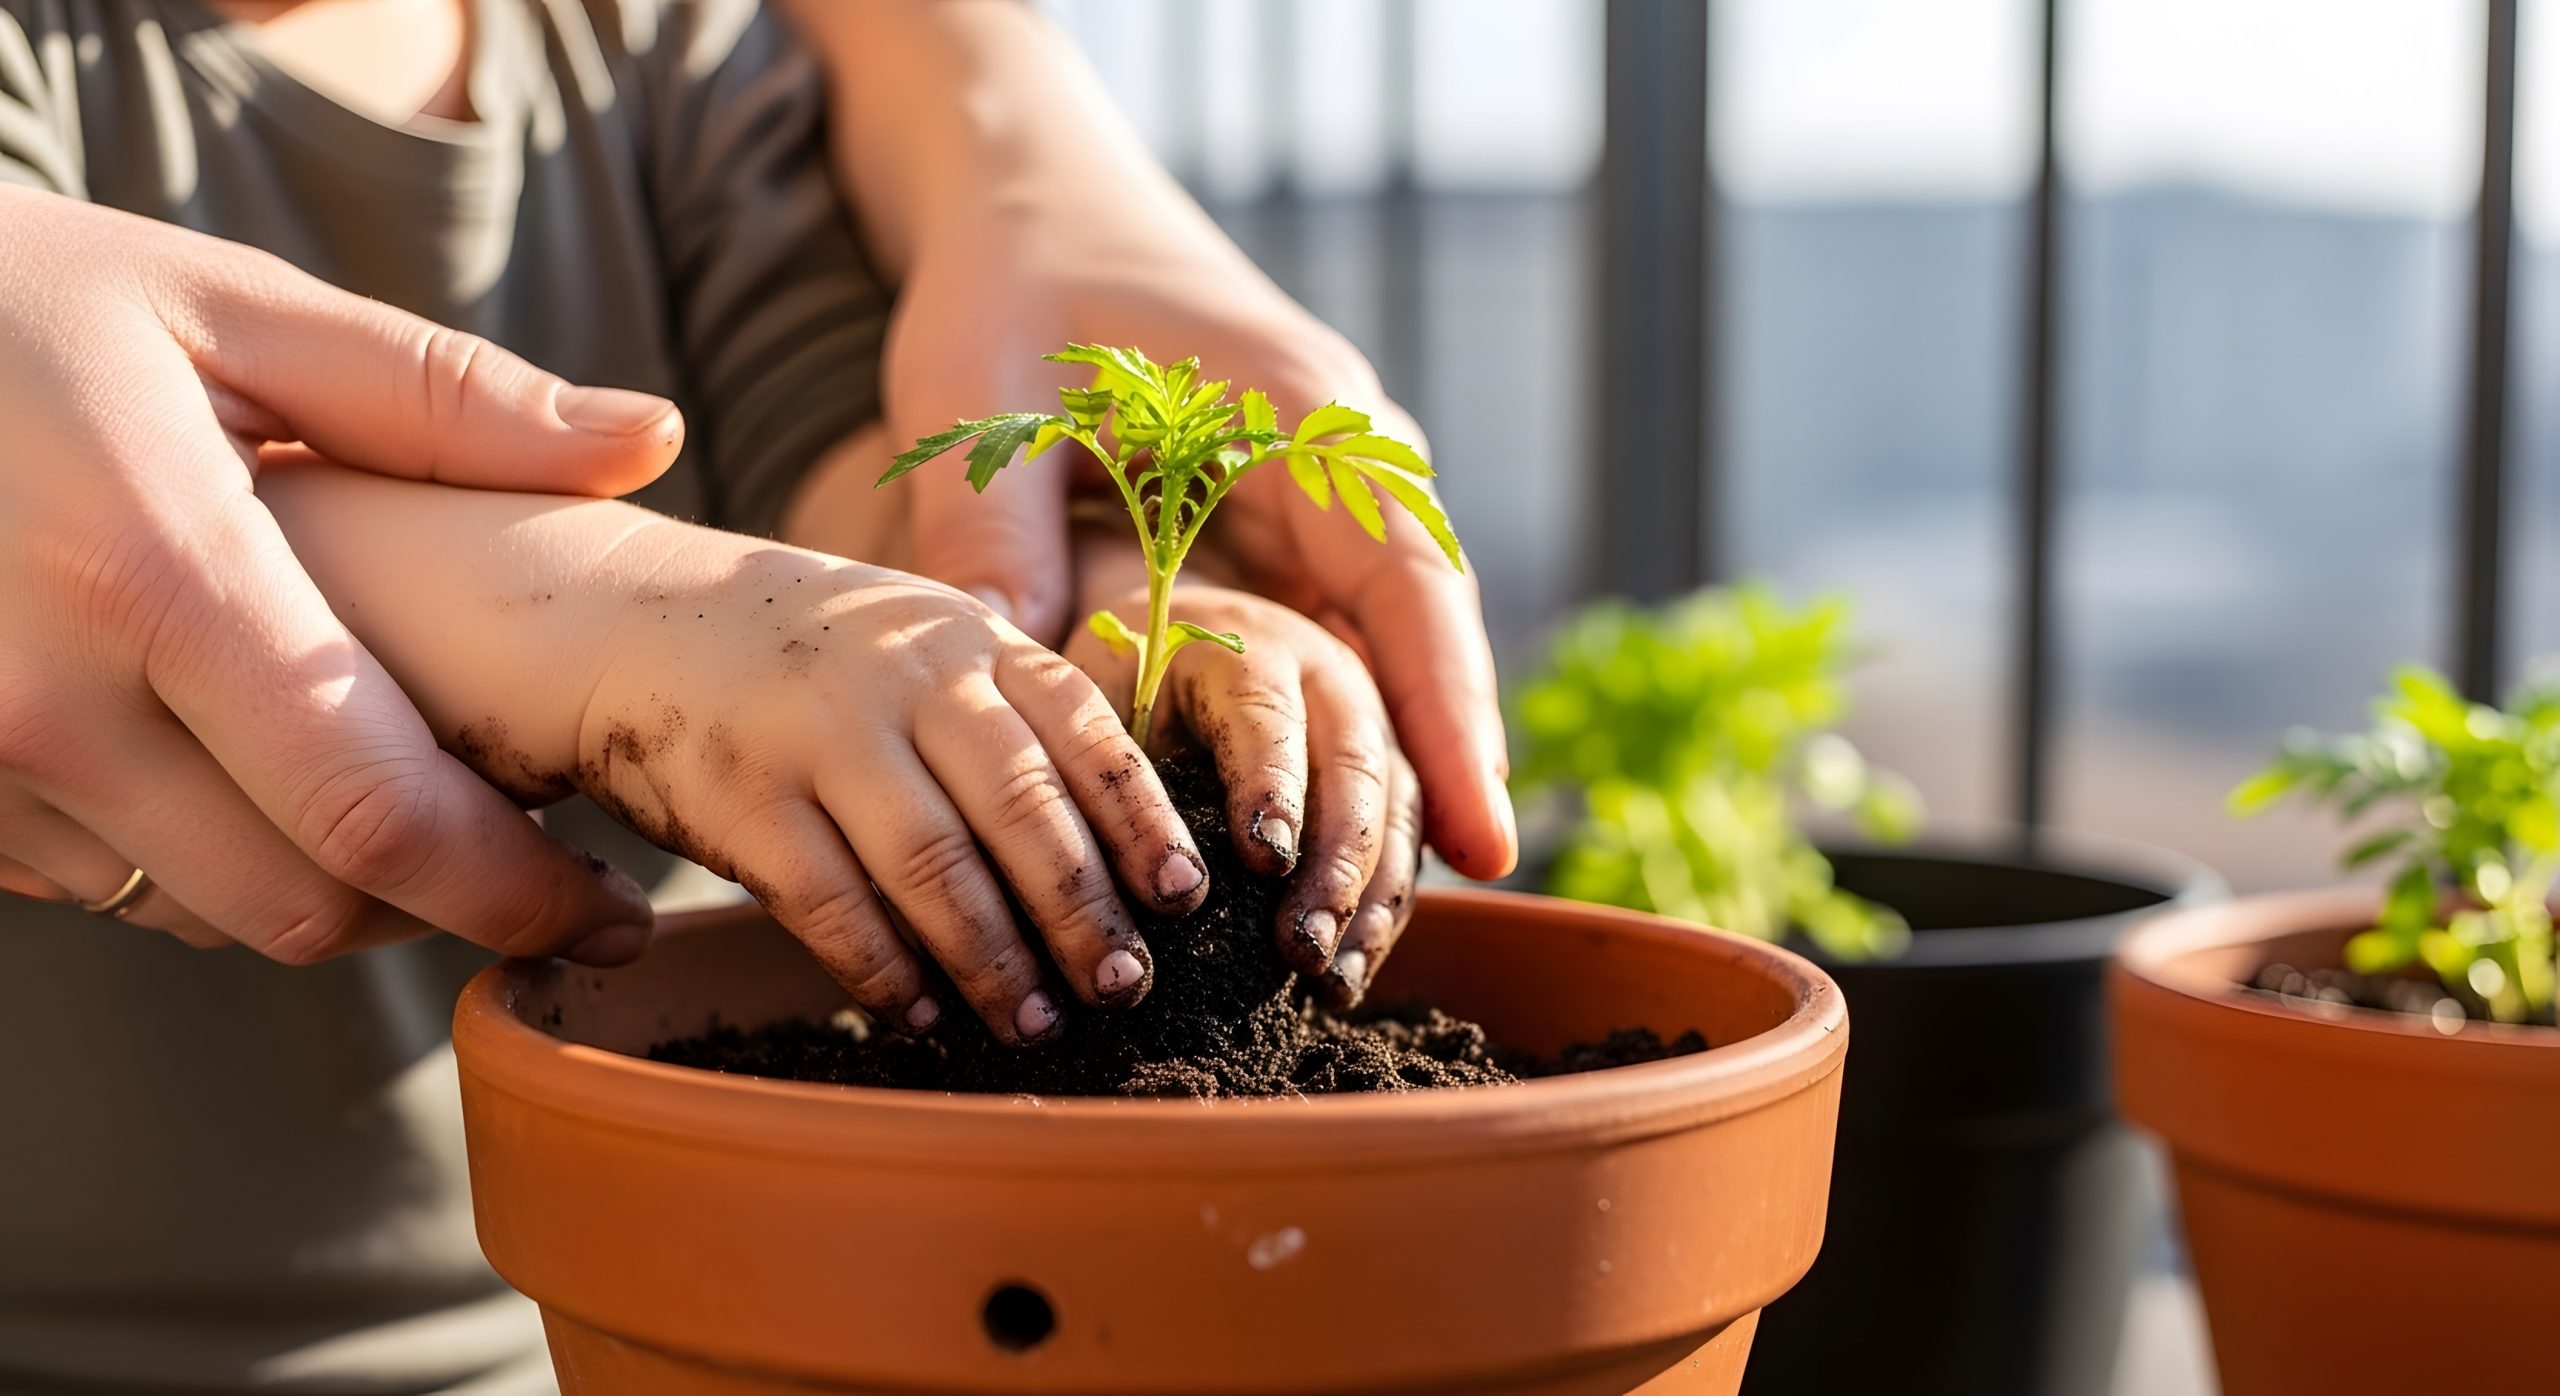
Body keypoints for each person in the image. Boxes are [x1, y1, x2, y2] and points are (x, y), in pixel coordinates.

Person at [0, 1, 1512, 1391]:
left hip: (606, 1328)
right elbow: (77, 502)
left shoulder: (669, 50)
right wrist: (639, 629)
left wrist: (1121, 621)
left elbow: (877, 485)